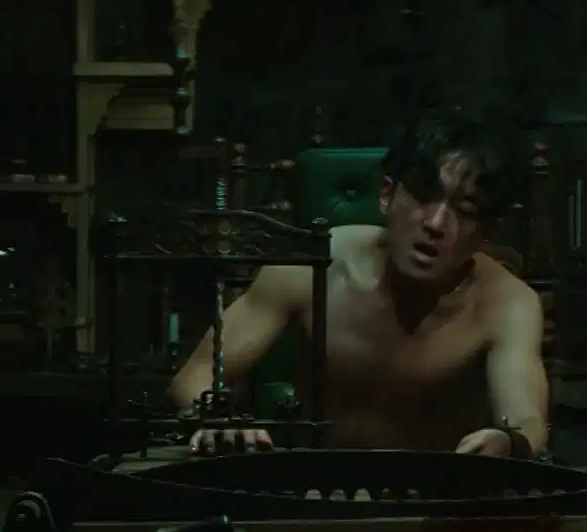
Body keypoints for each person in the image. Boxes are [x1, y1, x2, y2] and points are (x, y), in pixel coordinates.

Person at [170, 107, 549, 459]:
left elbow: (527, 421)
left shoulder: (507, 304)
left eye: (464, 210)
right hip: (311, 490)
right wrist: (216, 420)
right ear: (386, 196)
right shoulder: (311, 266)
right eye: (422, 196)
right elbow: (195, 376)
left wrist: (508, 442)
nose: (435, 224)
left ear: (487, 233)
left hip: (437, 496)